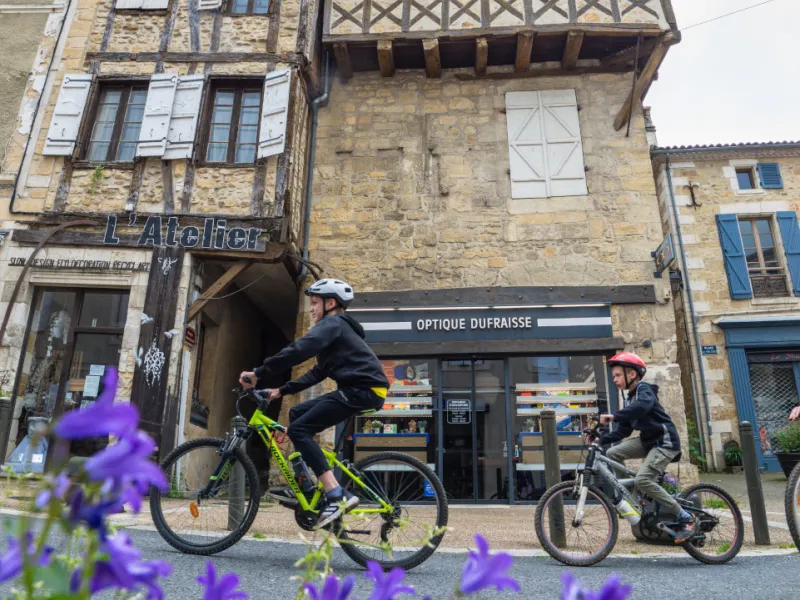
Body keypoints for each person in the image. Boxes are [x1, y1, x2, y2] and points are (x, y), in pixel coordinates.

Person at [239, 279, 389, 529]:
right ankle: (306, 485)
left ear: (331, 304)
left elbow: (300, 349)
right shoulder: (338, 333)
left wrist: (259, 372)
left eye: (315, 303)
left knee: (299, 430)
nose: (310, 308)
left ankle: (335, 494)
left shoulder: (334, 323)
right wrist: (281, 390)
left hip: (362, 391)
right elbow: (318, 372)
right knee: (297, 414)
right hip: (359, 390)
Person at [590, 352, 697, 544]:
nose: (614, 380)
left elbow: (644, 406)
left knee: (642, 478)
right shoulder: (630, 399)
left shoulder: (643, 389)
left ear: (631, 374)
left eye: (617, 375)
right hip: (648, 441)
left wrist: (614, 416)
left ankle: (685, 517)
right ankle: (634, 497)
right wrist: (599, 438)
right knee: (613, 453)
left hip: (664, 442)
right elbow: (623, 432)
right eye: (613, 376)